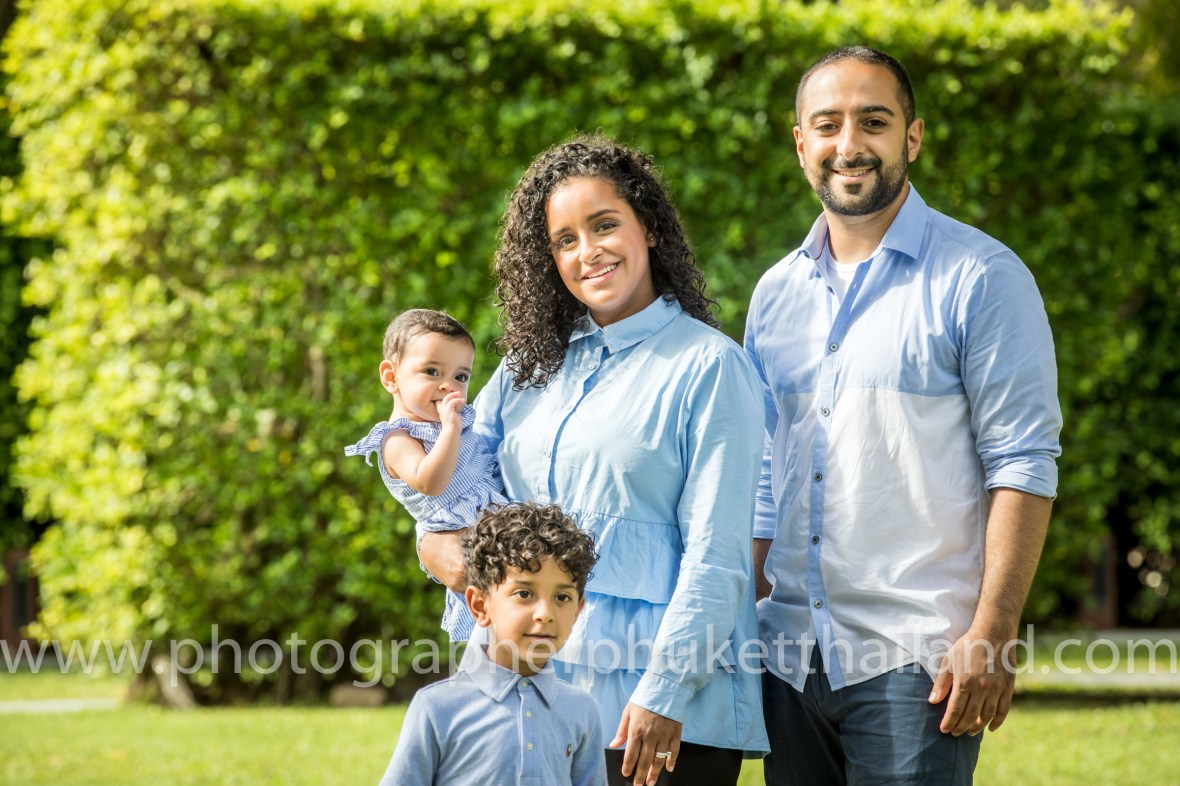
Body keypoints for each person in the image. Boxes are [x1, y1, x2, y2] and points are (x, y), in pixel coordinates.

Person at [744, 46, 1063, 785]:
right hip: (788, 656)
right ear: (801, 143)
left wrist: (993, 632)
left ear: (911, 138)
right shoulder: (775, 294)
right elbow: (768, 473)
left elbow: (1022, 462)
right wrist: (745, 617)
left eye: (873, 122)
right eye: (827, 125)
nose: (848, 145)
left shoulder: (982, 278)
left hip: (916, 663)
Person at [418, 133, 770, 786]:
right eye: (566, 240)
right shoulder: (529, 367)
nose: (589, 252)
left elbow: (719, 555)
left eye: (604, 225)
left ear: (650, 230)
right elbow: (456, 475)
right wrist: (432, 539)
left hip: (653, 713)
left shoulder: (710, 367)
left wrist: (665, 692)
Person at [377, 502, 607, 786]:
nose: (545, 614)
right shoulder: (437, 708)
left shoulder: (583, 711)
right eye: (524, 593)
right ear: (479, 605)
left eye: (562, 598)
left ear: (577, 611)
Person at [344, 308, 507, 641]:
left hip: (498, 523)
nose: (448, 386)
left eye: (461, 376)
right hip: (470, 540)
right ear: (391, 377)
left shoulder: (452, 426)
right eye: (432, 371)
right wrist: (450, 428)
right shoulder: (396, 439)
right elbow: (431, 482)